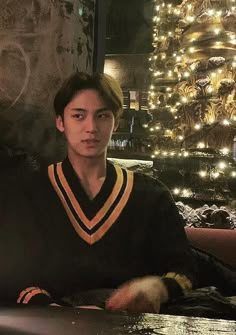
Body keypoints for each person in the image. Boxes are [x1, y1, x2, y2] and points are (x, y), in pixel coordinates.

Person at [0, 72, 198, 312]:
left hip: (129, 326)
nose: (91, 127)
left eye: (102, 115)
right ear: (61, 122)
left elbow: (185, 270)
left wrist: (158, 287)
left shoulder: (151, 196)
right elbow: (11, 276)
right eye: (78, 116)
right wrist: (55, 311)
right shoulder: (29, 192)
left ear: (116, 122)